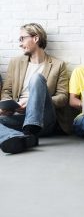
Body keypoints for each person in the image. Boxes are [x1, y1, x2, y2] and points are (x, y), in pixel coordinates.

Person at [0, 23, 69, 154]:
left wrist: (34, 102)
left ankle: (30, 129)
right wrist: (10, 106)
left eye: (22, 39)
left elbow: (63, 98)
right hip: (19, 116)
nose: (20, 44)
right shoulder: (15, 63)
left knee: (37, 78)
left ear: (36, 38)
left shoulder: (58, 65)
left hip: (44, 118)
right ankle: (17, 137)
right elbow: (7, 92)